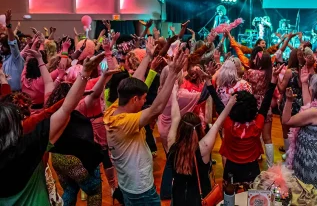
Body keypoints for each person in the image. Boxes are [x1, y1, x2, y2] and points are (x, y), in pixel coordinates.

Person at [0, 53, 104, 205]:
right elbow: (64, 110)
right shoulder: (29, 147)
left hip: (60, 163)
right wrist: (86, 73)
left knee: (69, 190)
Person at [103, 48, 186, 206]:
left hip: (130, 186)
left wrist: (148, 56)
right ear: (134, 99)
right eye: (143, 99)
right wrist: (173, 74)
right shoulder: (123, 122)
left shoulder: (114, 109)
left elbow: (135, 80)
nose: (144, 102)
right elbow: (157, 108)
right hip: (140, 191)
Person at [167, 82, 237, 205]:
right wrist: (230, 104)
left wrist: (173, 94)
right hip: (200, 198)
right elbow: (217, 123)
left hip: (179, 197)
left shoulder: (172, 143)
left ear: (180, 128)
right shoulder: (203, 148)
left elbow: (175, 117)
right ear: (199, 128)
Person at [283, 71, 317, 188]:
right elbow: (308, 104)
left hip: (310, 158)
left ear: (315, 90)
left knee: (308, 191)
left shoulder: (315, 112)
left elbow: (286, 121)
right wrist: (304, 83)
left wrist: (288, 101)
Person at [0, 10, 24, 91]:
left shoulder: (16, 58)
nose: (1, 48)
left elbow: (12, 43)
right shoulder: (5, 58)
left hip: (17, 95)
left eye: (3, 46)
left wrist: (8, 25)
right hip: (7, 94)